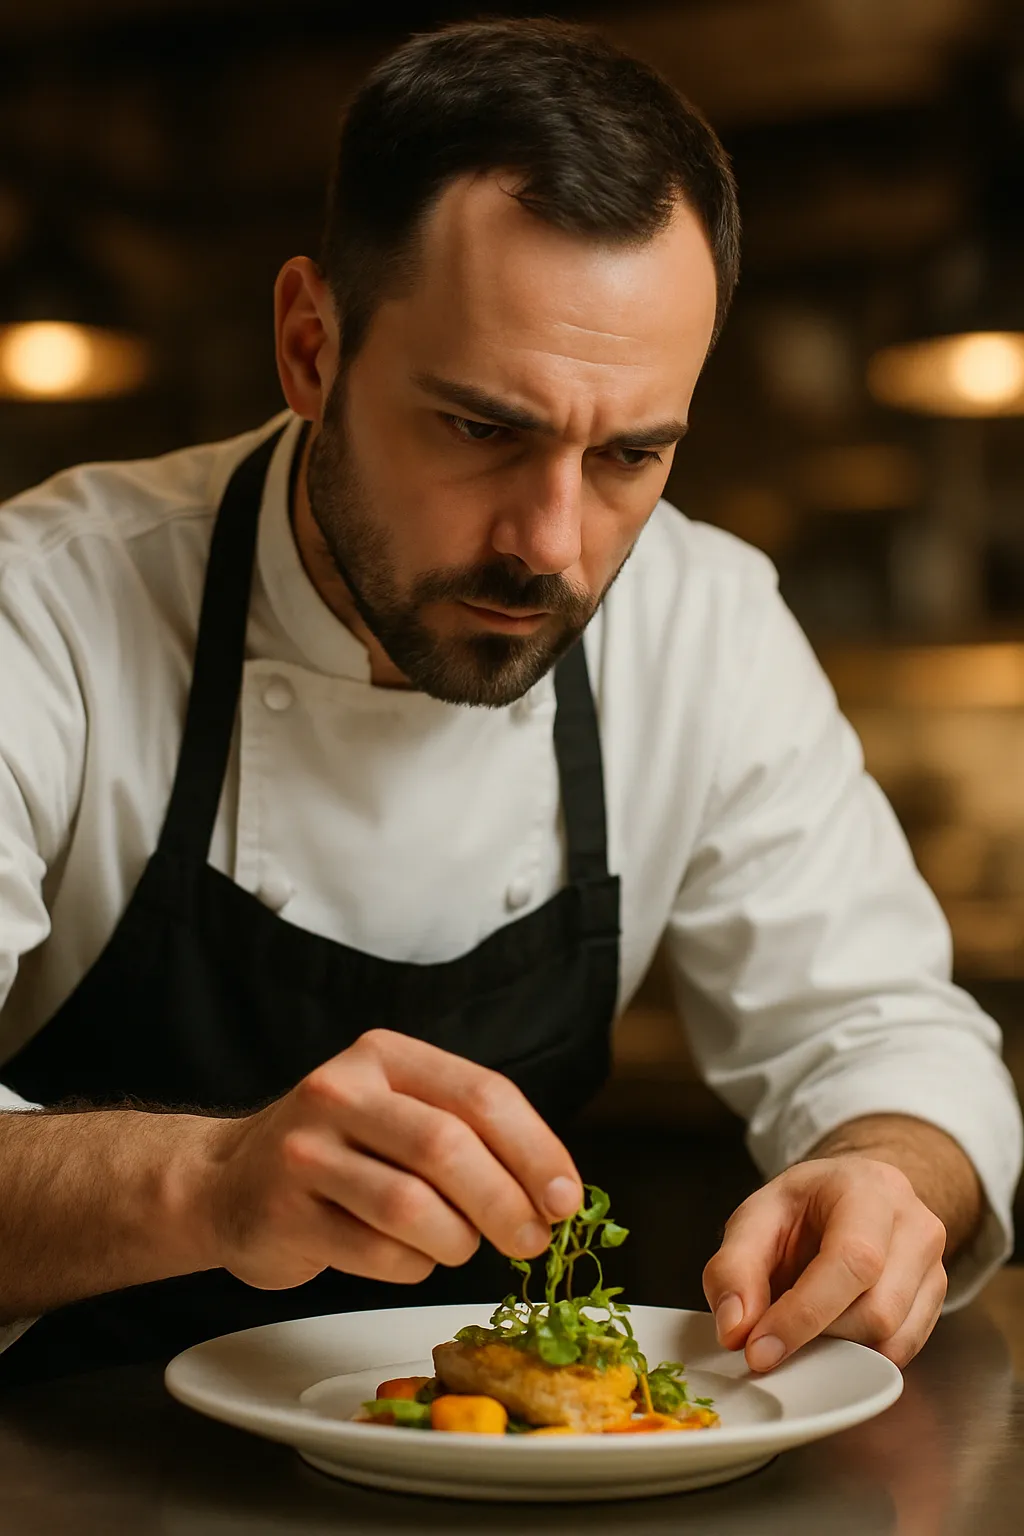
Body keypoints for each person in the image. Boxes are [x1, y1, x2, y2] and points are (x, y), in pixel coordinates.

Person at [0, 17, 1018, 1388]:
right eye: (484, 428)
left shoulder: (703, 628)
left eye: (631, 453)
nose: (550, 542)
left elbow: (887, 1034)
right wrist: (209, 1181)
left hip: (513, 1473)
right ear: (311, 346)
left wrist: (892, 1178)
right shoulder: (47, 611)